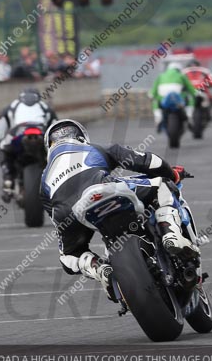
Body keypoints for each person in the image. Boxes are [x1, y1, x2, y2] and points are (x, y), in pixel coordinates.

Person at [40, 119, 198, 298]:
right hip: (102, 187)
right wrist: (172, 173)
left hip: (68, 211)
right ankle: (171, 234)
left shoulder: (44, 177)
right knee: (162, 185)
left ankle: (99, 268)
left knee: (69, 256)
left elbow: (54, 215)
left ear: (49, 146)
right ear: (81, 136)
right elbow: (148, 162)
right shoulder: (94, 148)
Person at [0, 88, 57, 202]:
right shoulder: (45, 107)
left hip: (18, 133)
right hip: (42, 132)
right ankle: (56, 180)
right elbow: (55, 127)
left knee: (2, 149)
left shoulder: (11, 107)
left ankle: (8, 181)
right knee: (56, 150)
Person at [149, 62, 198, 132]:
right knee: (190, 98)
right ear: (178, 69)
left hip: (162, 98)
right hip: (178, 98)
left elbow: (153, 91)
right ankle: (189, 116)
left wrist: (151, 96)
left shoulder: (160, 76)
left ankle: (158, 118)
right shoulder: (182, 75)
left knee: (155, 101)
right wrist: (195, 94)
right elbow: (190, 88)